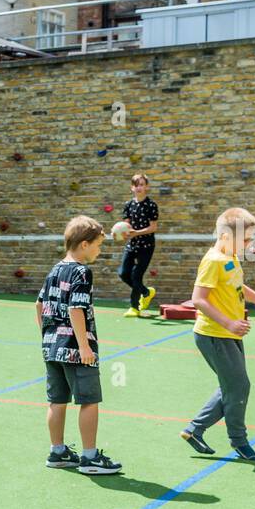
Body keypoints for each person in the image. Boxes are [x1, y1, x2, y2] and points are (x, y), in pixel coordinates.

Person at [179, 208, 255, 462]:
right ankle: (239, 441)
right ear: (226, 236)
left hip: (228, 335)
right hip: (214, 334)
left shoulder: (231, 257)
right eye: (246, 239)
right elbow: (198, 299)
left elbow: (239, 287)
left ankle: (194, 429)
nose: (249, 244)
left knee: (233, 385)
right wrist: (229, 323)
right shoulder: (213, 260)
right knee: (238, 386)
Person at [40, 216, 122, 475]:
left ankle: (58, 451)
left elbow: (39, 305)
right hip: (76, 349)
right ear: (84, 244)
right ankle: (90, 457)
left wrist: (47, 336)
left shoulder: (55, 269)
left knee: (57, 401)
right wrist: (84, 347)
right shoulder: (81, 271)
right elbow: (76, 308)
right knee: (89, 401)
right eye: (98, 245)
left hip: (52, 347)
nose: (99, 250)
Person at [118, 174, 160, 318]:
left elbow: (153, 227)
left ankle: (134, 307)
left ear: (146, 187)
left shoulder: (151, 205)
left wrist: (136, 233)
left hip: (146, 246)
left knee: (136, 276)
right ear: (132, 188)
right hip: (132, 245)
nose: (139, 187)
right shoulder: (128, 205)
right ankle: (146, 292)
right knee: (123, 274)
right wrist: (119, 233)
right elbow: (126, 226)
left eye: (142, 184)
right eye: (136, 185)